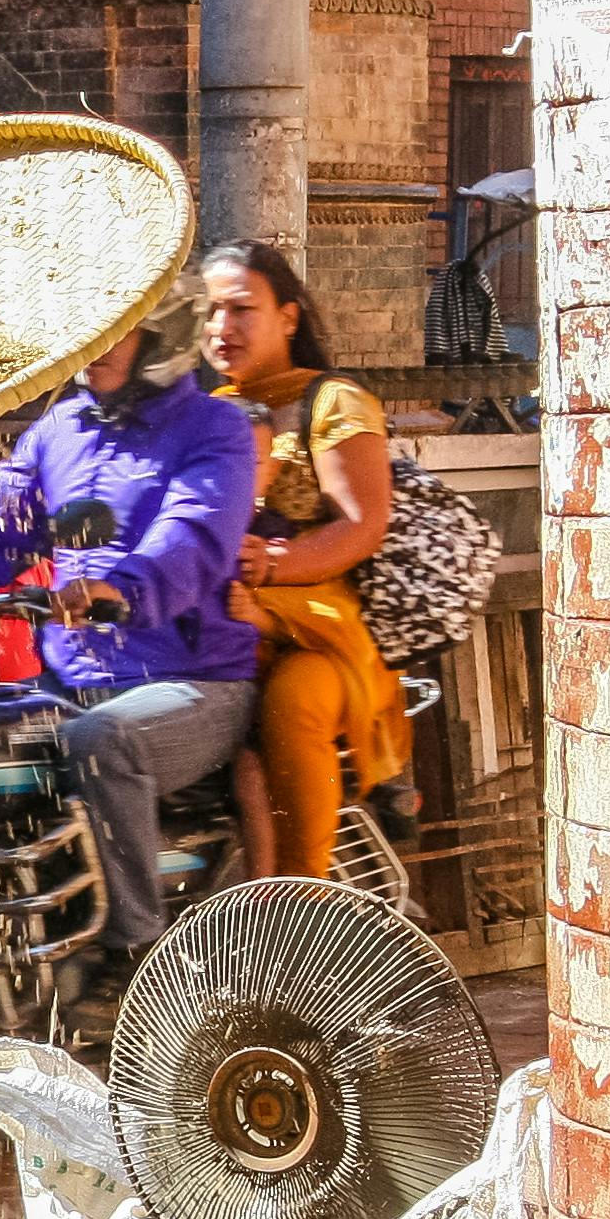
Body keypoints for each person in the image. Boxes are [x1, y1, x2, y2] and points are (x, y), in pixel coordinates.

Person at [0, 279, 260, 1024]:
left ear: (159, 337)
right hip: (71, 680)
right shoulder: (59, 433)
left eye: (108, 333)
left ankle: (134, 960)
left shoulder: (216, 430)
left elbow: (193, 535)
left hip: (196, 683)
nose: (88, 352)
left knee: (101, 739)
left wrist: (124, 586)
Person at [202, 240, 410, 880]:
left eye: (241, 309)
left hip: (319, 638)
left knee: (290, 703)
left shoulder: (333, 402)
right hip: (222, 627)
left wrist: (273, 567)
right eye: (210, 312)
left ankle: (304, 907)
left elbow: (360, 524)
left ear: (288, 317)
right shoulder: (204, 413)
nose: (220, 328)